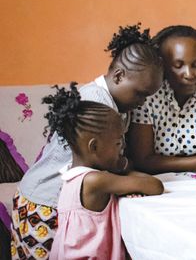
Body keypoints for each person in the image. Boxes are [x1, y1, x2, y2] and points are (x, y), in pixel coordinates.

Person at [11, 24, 163, 260]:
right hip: (45, 202)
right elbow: (112, 164)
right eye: (140, 93)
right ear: (119, 75)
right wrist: (125, 167)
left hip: (64, 202)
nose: (143, 102)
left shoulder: (119, 105)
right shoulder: (97, 103)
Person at [41, 84, 164, 260]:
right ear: (95, 146)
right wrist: (123, 167)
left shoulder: (70, 175)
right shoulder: (95, 180)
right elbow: (155, 186)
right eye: (117, 144)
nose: (121, 149)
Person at [127, 25, 196, 174]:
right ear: (162, 65)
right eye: (178, 65)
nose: (189, 74)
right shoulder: (149, 94)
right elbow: (142, 160)